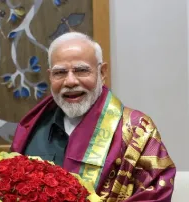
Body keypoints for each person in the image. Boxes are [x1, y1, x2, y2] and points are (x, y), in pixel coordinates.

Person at [10, 32, 176, 201]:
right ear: (50, 76)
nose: (70, 81)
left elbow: (156, 194)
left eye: (81, 70)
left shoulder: (136, 130)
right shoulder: (34, 127)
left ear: (102, 73)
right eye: (60, 73)